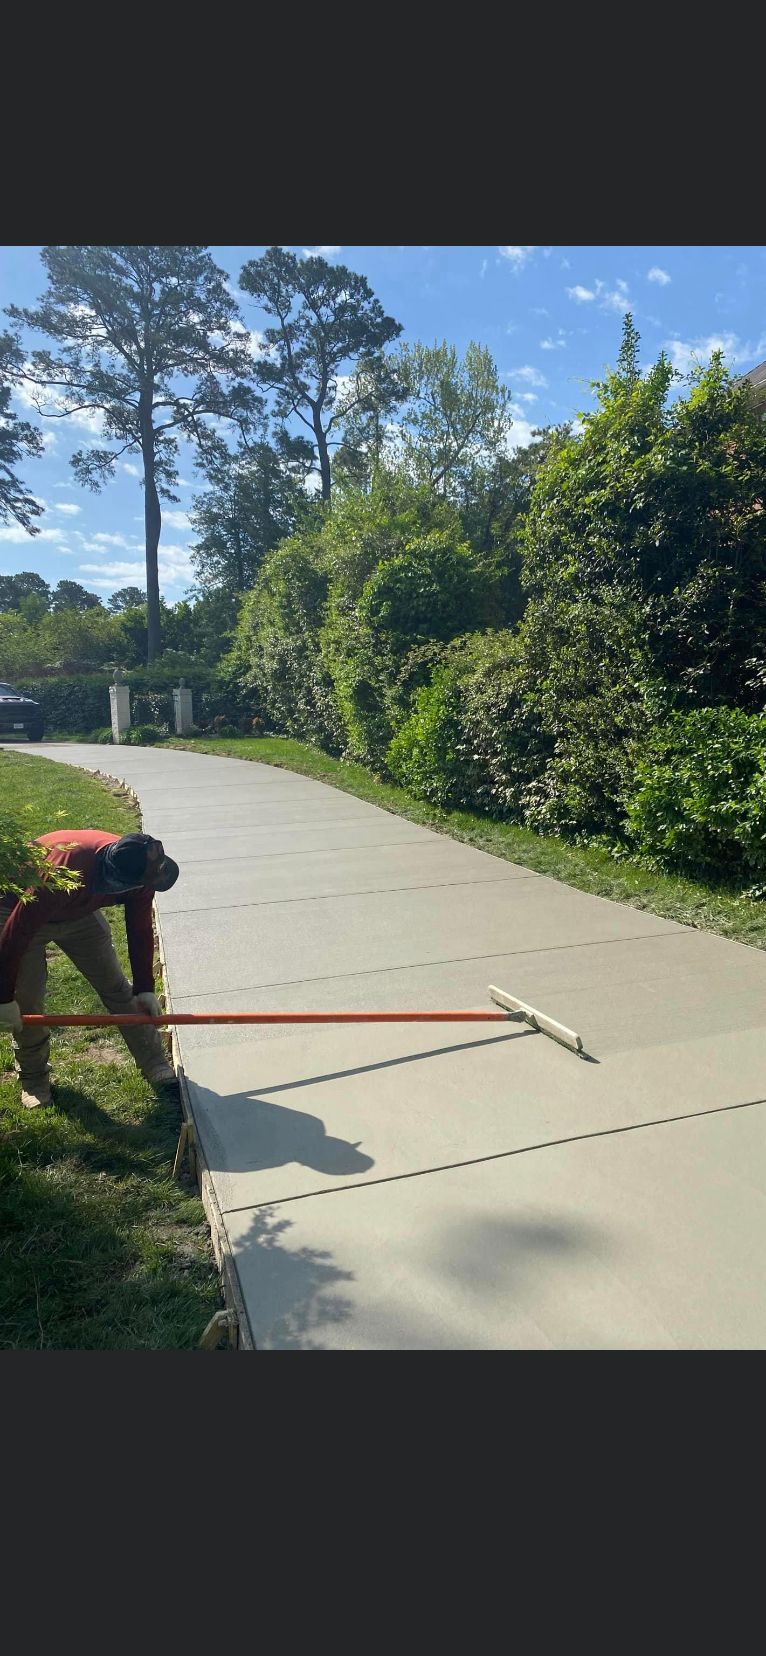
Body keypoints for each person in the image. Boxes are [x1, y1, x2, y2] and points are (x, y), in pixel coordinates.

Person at [0, 830, 180, 1109]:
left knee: (117, 988)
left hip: (79, 914)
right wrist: (3, 996)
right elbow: (18, 932)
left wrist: (145, 987)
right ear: (113, 875)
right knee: (27, 1003)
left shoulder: (143, 871)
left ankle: (153, 1061)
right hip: (21, 908)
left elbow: (140, 927)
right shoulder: (65, 869)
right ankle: (34, 1080)